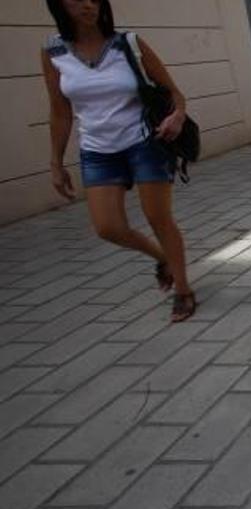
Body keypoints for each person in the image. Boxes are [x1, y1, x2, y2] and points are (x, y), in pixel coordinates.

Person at [41, 0, 196, 322]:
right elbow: (59, 111)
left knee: (158, 217)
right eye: (76, 0)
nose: (87, 5)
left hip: (145, 141)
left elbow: (174, 93)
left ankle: (183, 290)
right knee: (108, 227)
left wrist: (177, 117)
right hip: (97, 149)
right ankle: (162, 258)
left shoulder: (128, 43)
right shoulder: (53, 52)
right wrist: (56, 163)